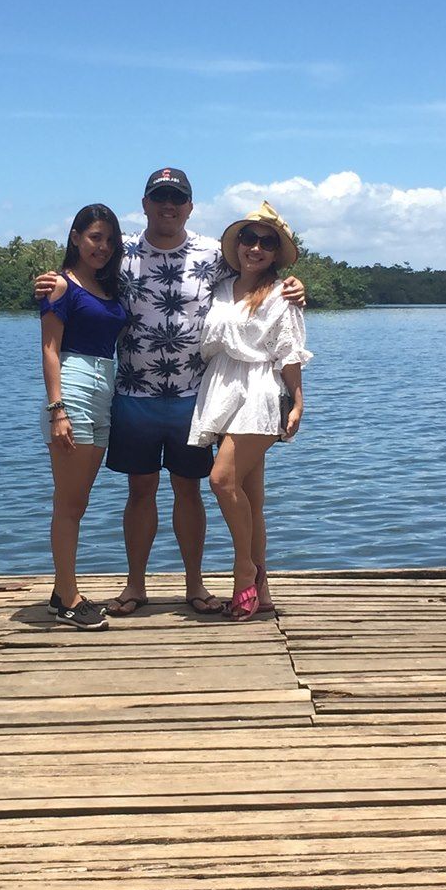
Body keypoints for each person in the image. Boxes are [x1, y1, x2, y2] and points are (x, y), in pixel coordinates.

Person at [34, 169, 304, 616]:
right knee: (139, 491)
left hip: (194, 397)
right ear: (144, 203)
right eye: (159, 197)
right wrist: (50, 282)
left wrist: (295, 286)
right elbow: (81, 276)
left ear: (190, 207)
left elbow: (260, 278)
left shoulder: (214, 254)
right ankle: (135, 585)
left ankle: (194, 586)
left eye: (176, 198)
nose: (168, 206)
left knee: (189, 490)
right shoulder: (122, 255)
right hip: (132, 394)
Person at [188, 202, 312, 621]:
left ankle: (244, 570)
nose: (255, 248)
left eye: (266, 243)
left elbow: (289, 353)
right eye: (248, 239)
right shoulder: (220, 287)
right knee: (251, 499)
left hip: (259, 391)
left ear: (276, 253)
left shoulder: (283, 294)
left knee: (221, 481)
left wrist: (298, 402)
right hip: (221, 390)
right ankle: (264, 589)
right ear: (237, 244)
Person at [40, 204, 127, 630]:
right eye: (95, 237)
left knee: (79, 500)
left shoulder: (108, 286)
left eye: (110, 240)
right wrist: (57, 409)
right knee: (69, 501)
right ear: (75, 237)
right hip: (73, 384)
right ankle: (70, 598)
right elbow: (50, 349)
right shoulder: (61, 285)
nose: (103, 247)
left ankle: (62, 592)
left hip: (104, 388)